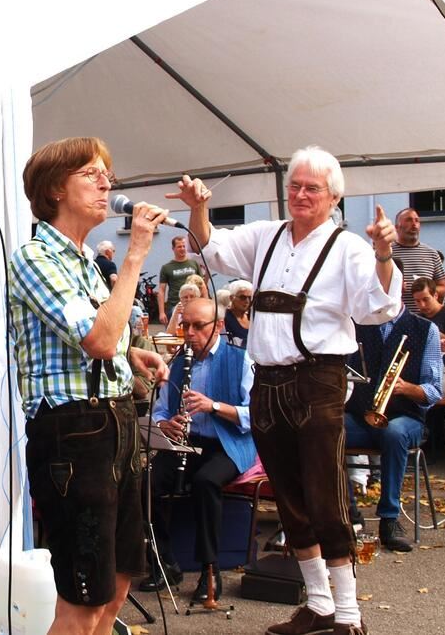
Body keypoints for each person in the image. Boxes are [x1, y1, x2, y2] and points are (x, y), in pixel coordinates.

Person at [172, 146, 400, 635]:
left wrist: (384, 253)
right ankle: (317, 604)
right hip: (268, 383)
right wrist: (198, 206)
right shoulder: (267, 236)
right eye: (294, 185)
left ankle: (349, 614)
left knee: (326, 497)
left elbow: (376, 309)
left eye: (311, 188)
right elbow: (211, 247)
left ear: (333, 196)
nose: (299, 194)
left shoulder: (349, 248)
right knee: (288, 497)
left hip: (319, 379)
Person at [9, 136, 168, 635]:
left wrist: (132, 352)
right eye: (91, 174)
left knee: (119, 582)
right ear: (56, 188)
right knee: (83, 596)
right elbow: (98, 338)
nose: (106, 183)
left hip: (114, 422)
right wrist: (136, 254)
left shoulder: (81, 260)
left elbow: (107, 337)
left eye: (107, 174)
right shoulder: (35, 257)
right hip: (74, 430)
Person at [143, 298, 256, 601]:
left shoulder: (240, 360)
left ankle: (210, 570)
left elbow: (255, 416)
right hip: (188, 442)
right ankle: (164, 562)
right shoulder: (178, 363)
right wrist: (166, 424)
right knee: (145, 483)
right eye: (185, 326)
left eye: (197, 326)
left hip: (229, 443)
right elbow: (160, 411)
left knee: (206, 481)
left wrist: (214, 406)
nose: (190, 333)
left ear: (218, 326)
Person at [344, 305, 442, 552]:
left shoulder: (425, 329)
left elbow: (434, 390)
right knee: (326, 430)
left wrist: (406, 387)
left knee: (394, 433)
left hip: (406, 416)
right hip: (360, 414)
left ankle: (389, 519)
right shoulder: (356, 324)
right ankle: (348, 511)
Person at [391, 208, 445, 312]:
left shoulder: (432, 253)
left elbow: (443, 287)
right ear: (397, 227)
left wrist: (426, 290)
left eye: (417, 220)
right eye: (408, 220)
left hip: (426, 318)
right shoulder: (387, 253)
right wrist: (394, 288)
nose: (414, 224)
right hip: (395, 317)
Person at [157, 236, 201, 325]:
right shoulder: (167, 267)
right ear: (173, 249)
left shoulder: (194, 264)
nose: (182, 249)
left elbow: (202, 285)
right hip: (175, 305)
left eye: (184, 246)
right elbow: (161, 290)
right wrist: (161, 312)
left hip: (194, 304)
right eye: (179, 246)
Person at [412, 277, 445, 351]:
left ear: (435, 296)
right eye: (417, 301)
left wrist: (435, 334)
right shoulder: (418, 318)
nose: (422, 305)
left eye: (426, 299)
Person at [224, 279, 253, 348]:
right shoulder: (225, 318)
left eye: (250, 297)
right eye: (242, 297)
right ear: (231, 298)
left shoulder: (252, 317)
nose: (247, 301)